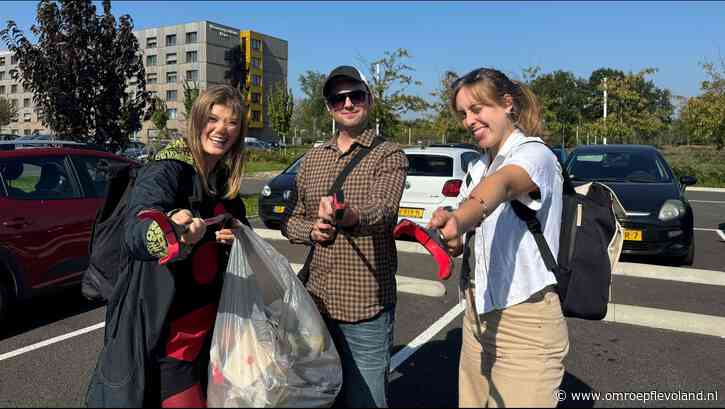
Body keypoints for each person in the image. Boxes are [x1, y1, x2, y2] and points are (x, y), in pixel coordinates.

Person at [86, 85, 250, 408]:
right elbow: (137, 228)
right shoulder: (167, 168)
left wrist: (232, 237)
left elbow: (229, 226)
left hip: (213, 334)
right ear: (197, 120)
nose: (221, 129)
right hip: (169, 338)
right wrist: (170, 229)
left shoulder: (220, 179)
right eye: (213, 119)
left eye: (232, 122)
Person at [428, 67, 569, 407]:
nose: (469, 121)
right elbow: (477, 231)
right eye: (463, 114)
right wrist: (456, 238)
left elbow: (503, 185)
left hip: (526, 319)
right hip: (477, 315)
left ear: (507, 104)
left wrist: (460, 216)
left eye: (477, 109)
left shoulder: (535, 156)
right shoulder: (478, 166)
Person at [281, 65, 408, 408]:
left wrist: (346, 215)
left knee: (366, 399)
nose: (348, 103)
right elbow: (290, 222)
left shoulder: (389, 154)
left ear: (369, 99)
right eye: (339, 98)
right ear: (329, 108)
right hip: (316, 304)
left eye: (356, 95)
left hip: (364, 307)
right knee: (317, 396)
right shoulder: (312, 159)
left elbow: (382, 213)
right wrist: (311, 229)